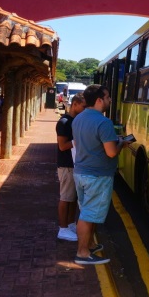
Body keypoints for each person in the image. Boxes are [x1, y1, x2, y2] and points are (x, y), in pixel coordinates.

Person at [71, 84, 133, 265]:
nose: (109, 100)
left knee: (85, 210)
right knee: (89, 214)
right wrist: (121, 143)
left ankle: (89, 245)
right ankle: (82, 253)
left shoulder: (78, 118)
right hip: (97, 175)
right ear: (99, 100)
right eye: (107, 97)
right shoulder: (103, 122)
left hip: (81, 171)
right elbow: (111, 152)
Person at [56, 93, 85, 242]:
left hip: (75, 164)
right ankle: (63, 228)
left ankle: (70, 224)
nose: (85, 109)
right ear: (75, 104)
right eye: (83, 106)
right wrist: (79, 140)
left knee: (73, 198)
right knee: (66, 198)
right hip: (66, 164)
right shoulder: (64, 122)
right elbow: (62, 146)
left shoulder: (74, 121)